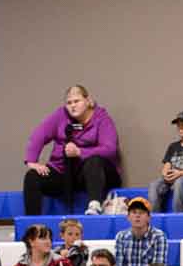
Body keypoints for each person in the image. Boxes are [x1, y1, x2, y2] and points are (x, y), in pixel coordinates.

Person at [22, 84, 121, 215]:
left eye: (76, 101)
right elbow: (38, 135)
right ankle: (32, 223)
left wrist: (80, 152)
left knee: (94, 161)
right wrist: (31, 162)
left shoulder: (102, 119)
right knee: (32, 176)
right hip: (63, 172)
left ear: (88, 101)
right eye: (69, 103)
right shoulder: (60, 115)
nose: (72, 106)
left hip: (91, 174)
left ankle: (94, 205)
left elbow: (110, 149)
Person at [149, 111, 183, 214]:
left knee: (180, 183)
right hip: (171, 178)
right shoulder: (173, 146)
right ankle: (155, 218)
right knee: (154, 185)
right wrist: (166, 174)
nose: (180, 127)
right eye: (178, 125)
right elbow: (167, 165)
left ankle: (178, 216)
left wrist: (180, 174)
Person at [112, 199, 167, 266]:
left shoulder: (159, 236)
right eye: (134, 212)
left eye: (141, 212)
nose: (137, 215)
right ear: (128, 217)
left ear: (149, 217)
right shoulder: (121, 236)